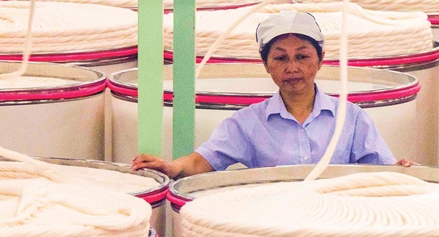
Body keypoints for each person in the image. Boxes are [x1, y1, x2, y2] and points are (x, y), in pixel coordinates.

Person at [132, 10, 409, 179]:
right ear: (266, 64)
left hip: (337, 225)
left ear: (320, 59)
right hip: (274, 228)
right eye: (280, 58)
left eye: (302, 56)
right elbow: (201, 162)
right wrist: (172, 166)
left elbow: (384, 173)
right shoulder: (248, 123)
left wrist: (404, 170)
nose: (292, 68)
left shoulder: (351, 118)